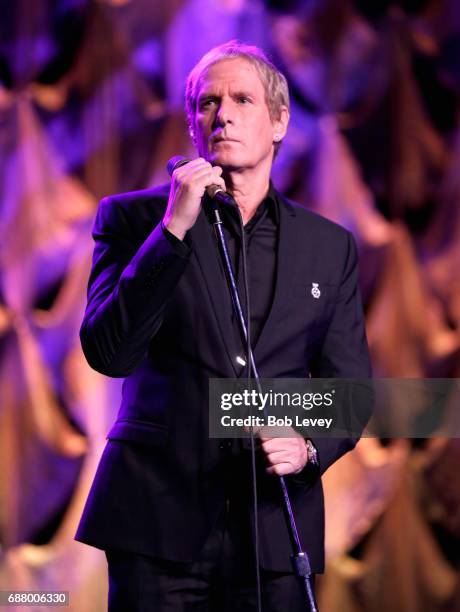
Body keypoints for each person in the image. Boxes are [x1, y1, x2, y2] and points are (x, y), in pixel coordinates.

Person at [75, 40, 372, 611]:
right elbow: (110, 352)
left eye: (242, 99)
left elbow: (350, 390)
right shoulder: (133, 219)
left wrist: (308, 445)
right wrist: (171, 233)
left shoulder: (328, 248)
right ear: (192, 123)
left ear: (279, 122)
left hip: (274, 533)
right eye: (208, 103)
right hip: (156, 526)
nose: (224, 114)